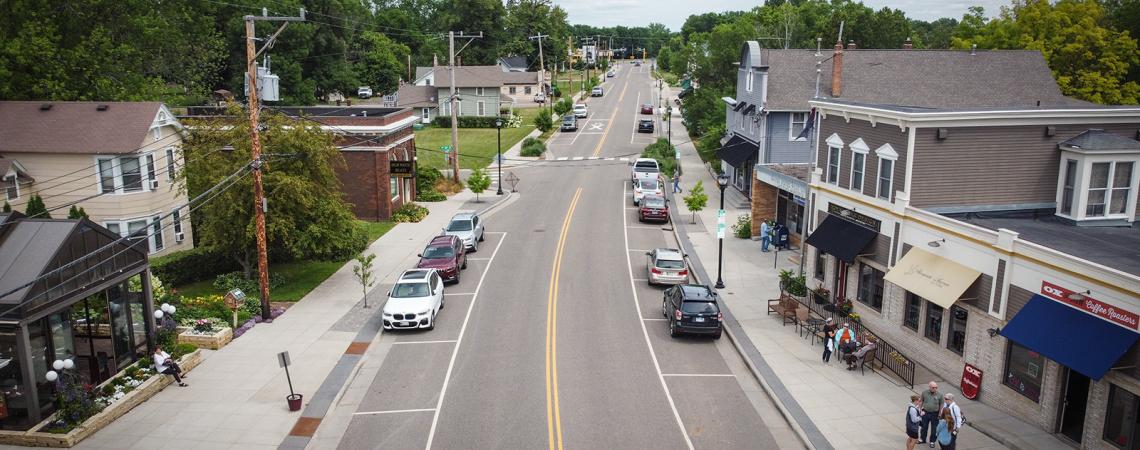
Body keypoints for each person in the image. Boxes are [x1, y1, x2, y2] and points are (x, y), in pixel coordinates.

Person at [919, 382, 941, 447]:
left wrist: (940, 414)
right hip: (925, 412)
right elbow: (921, 401)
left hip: (935, 414)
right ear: (929, 387)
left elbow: (941, 404)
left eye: (936, 387)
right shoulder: (924, 393)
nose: (935, 389)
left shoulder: (940, 395)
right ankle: (923, 439)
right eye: (933, 387)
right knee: (924, 427)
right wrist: (920, 410)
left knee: (934, 429)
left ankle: (932, 441)